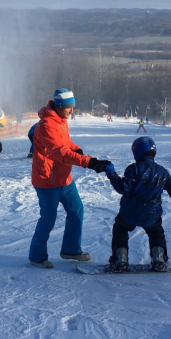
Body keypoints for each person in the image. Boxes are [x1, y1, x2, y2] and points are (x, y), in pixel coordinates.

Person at [29, 88, 112, 269]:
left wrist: (77, 148)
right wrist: (88, 162)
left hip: (64, 177)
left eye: (72, 106)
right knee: (48, 218)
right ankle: (36, 255)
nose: (72, 110)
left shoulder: (61, 120)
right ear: (59, 106)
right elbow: (61, 153)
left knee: (76, 210)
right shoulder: (46, 126)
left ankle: (71, 249)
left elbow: (66, 144)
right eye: (68, 107)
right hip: (48, 180)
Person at [103, 137, 171, 272]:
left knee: (120, 230)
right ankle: (159, 260)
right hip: (151, 214)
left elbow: (123, 188)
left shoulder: (133, 169)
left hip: (130, 213)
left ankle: (120, 260)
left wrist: (112, 174)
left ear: (137, 152)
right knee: (156, 233)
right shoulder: (162, 171)